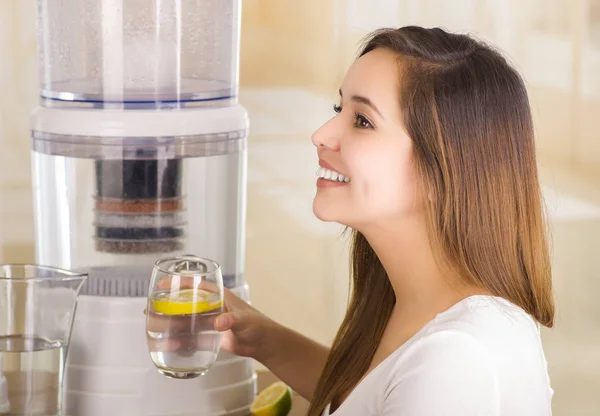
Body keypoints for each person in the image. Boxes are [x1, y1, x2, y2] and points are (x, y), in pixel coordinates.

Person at [215, 25, 554, 415]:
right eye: (338, 109)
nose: (321, 135)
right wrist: (263, 340)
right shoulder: (426, 313)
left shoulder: (455, 359)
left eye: (362, 121)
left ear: (443, 169)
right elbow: (375, 394)